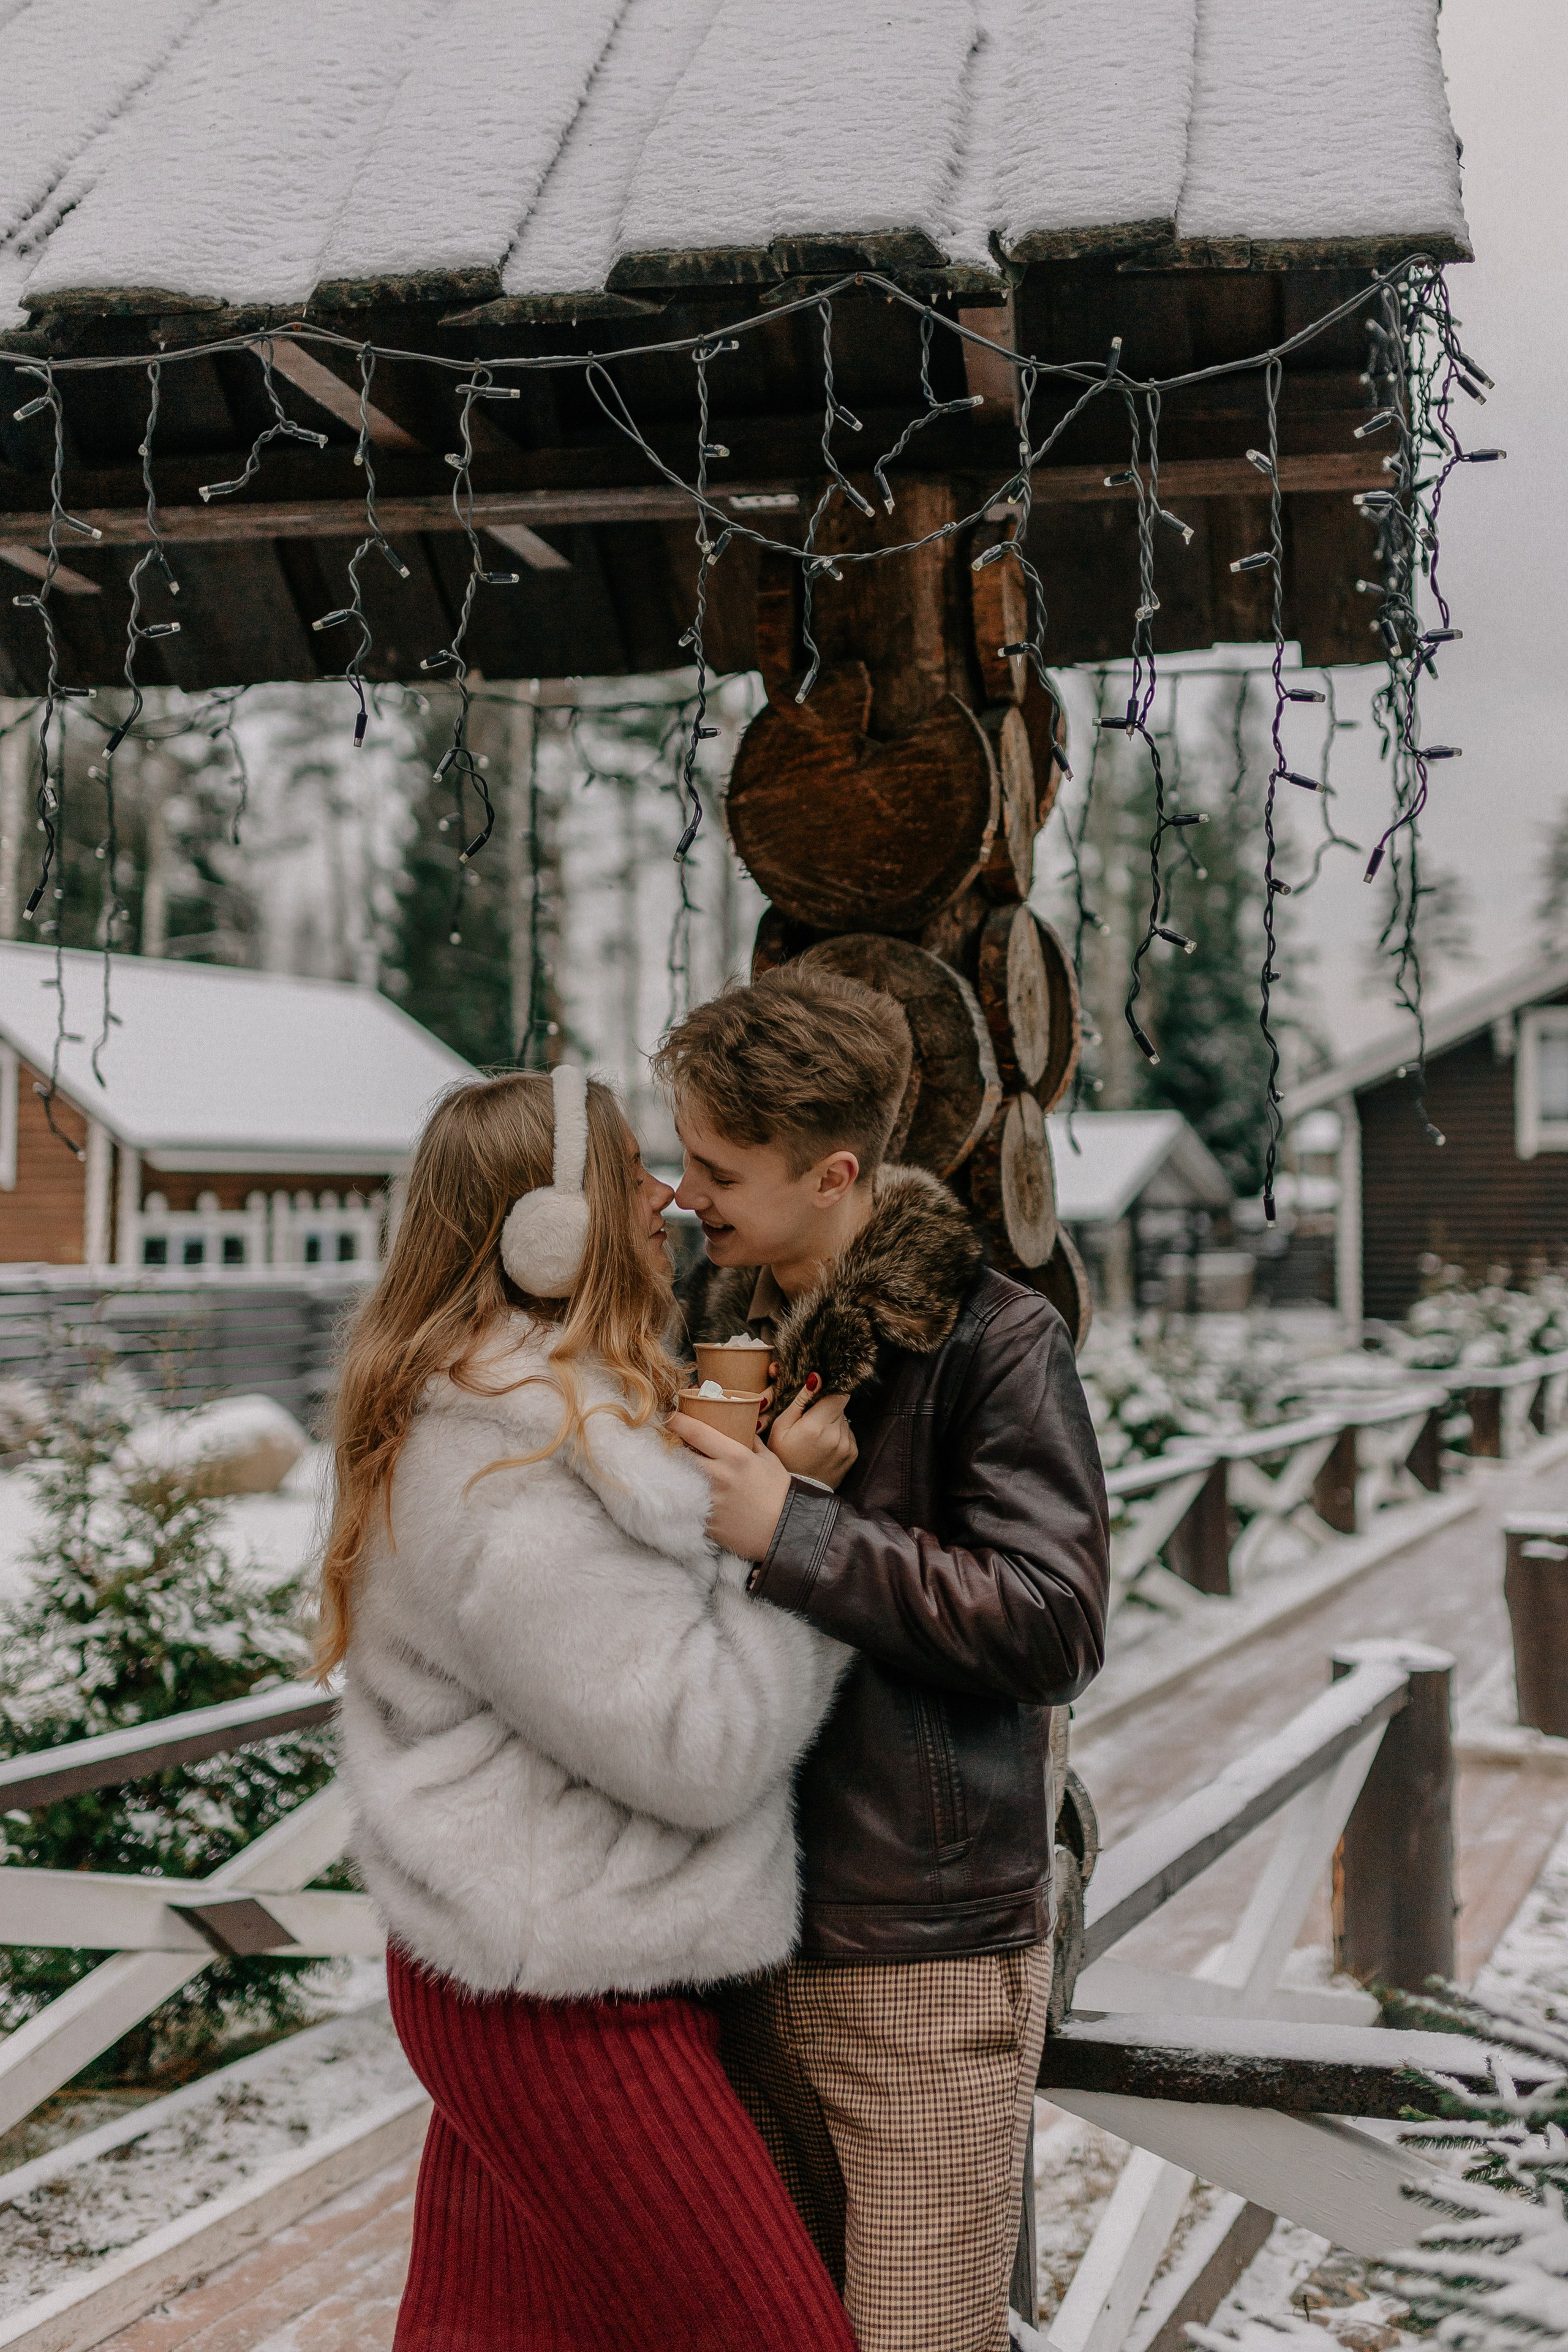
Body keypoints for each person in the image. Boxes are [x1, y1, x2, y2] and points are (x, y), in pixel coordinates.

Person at [318, 1067, 859, 2352]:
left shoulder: (529, 1417)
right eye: (630, 1174)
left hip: (524, 1959)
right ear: (547, 1229)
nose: (665, 1197)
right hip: (567, 1997)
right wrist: (798, 1538)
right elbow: (701, 1748)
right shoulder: (507, 1476)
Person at [655, 968, 1110, 2352]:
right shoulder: (709, 1336)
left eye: (718, 1170)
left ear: (833, 1174)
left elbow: (1052, 1622)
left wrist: (796, 1530)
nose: (684, 1194)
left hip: (914, 1961)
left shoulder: (997, 1341)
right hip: (732, 1946)